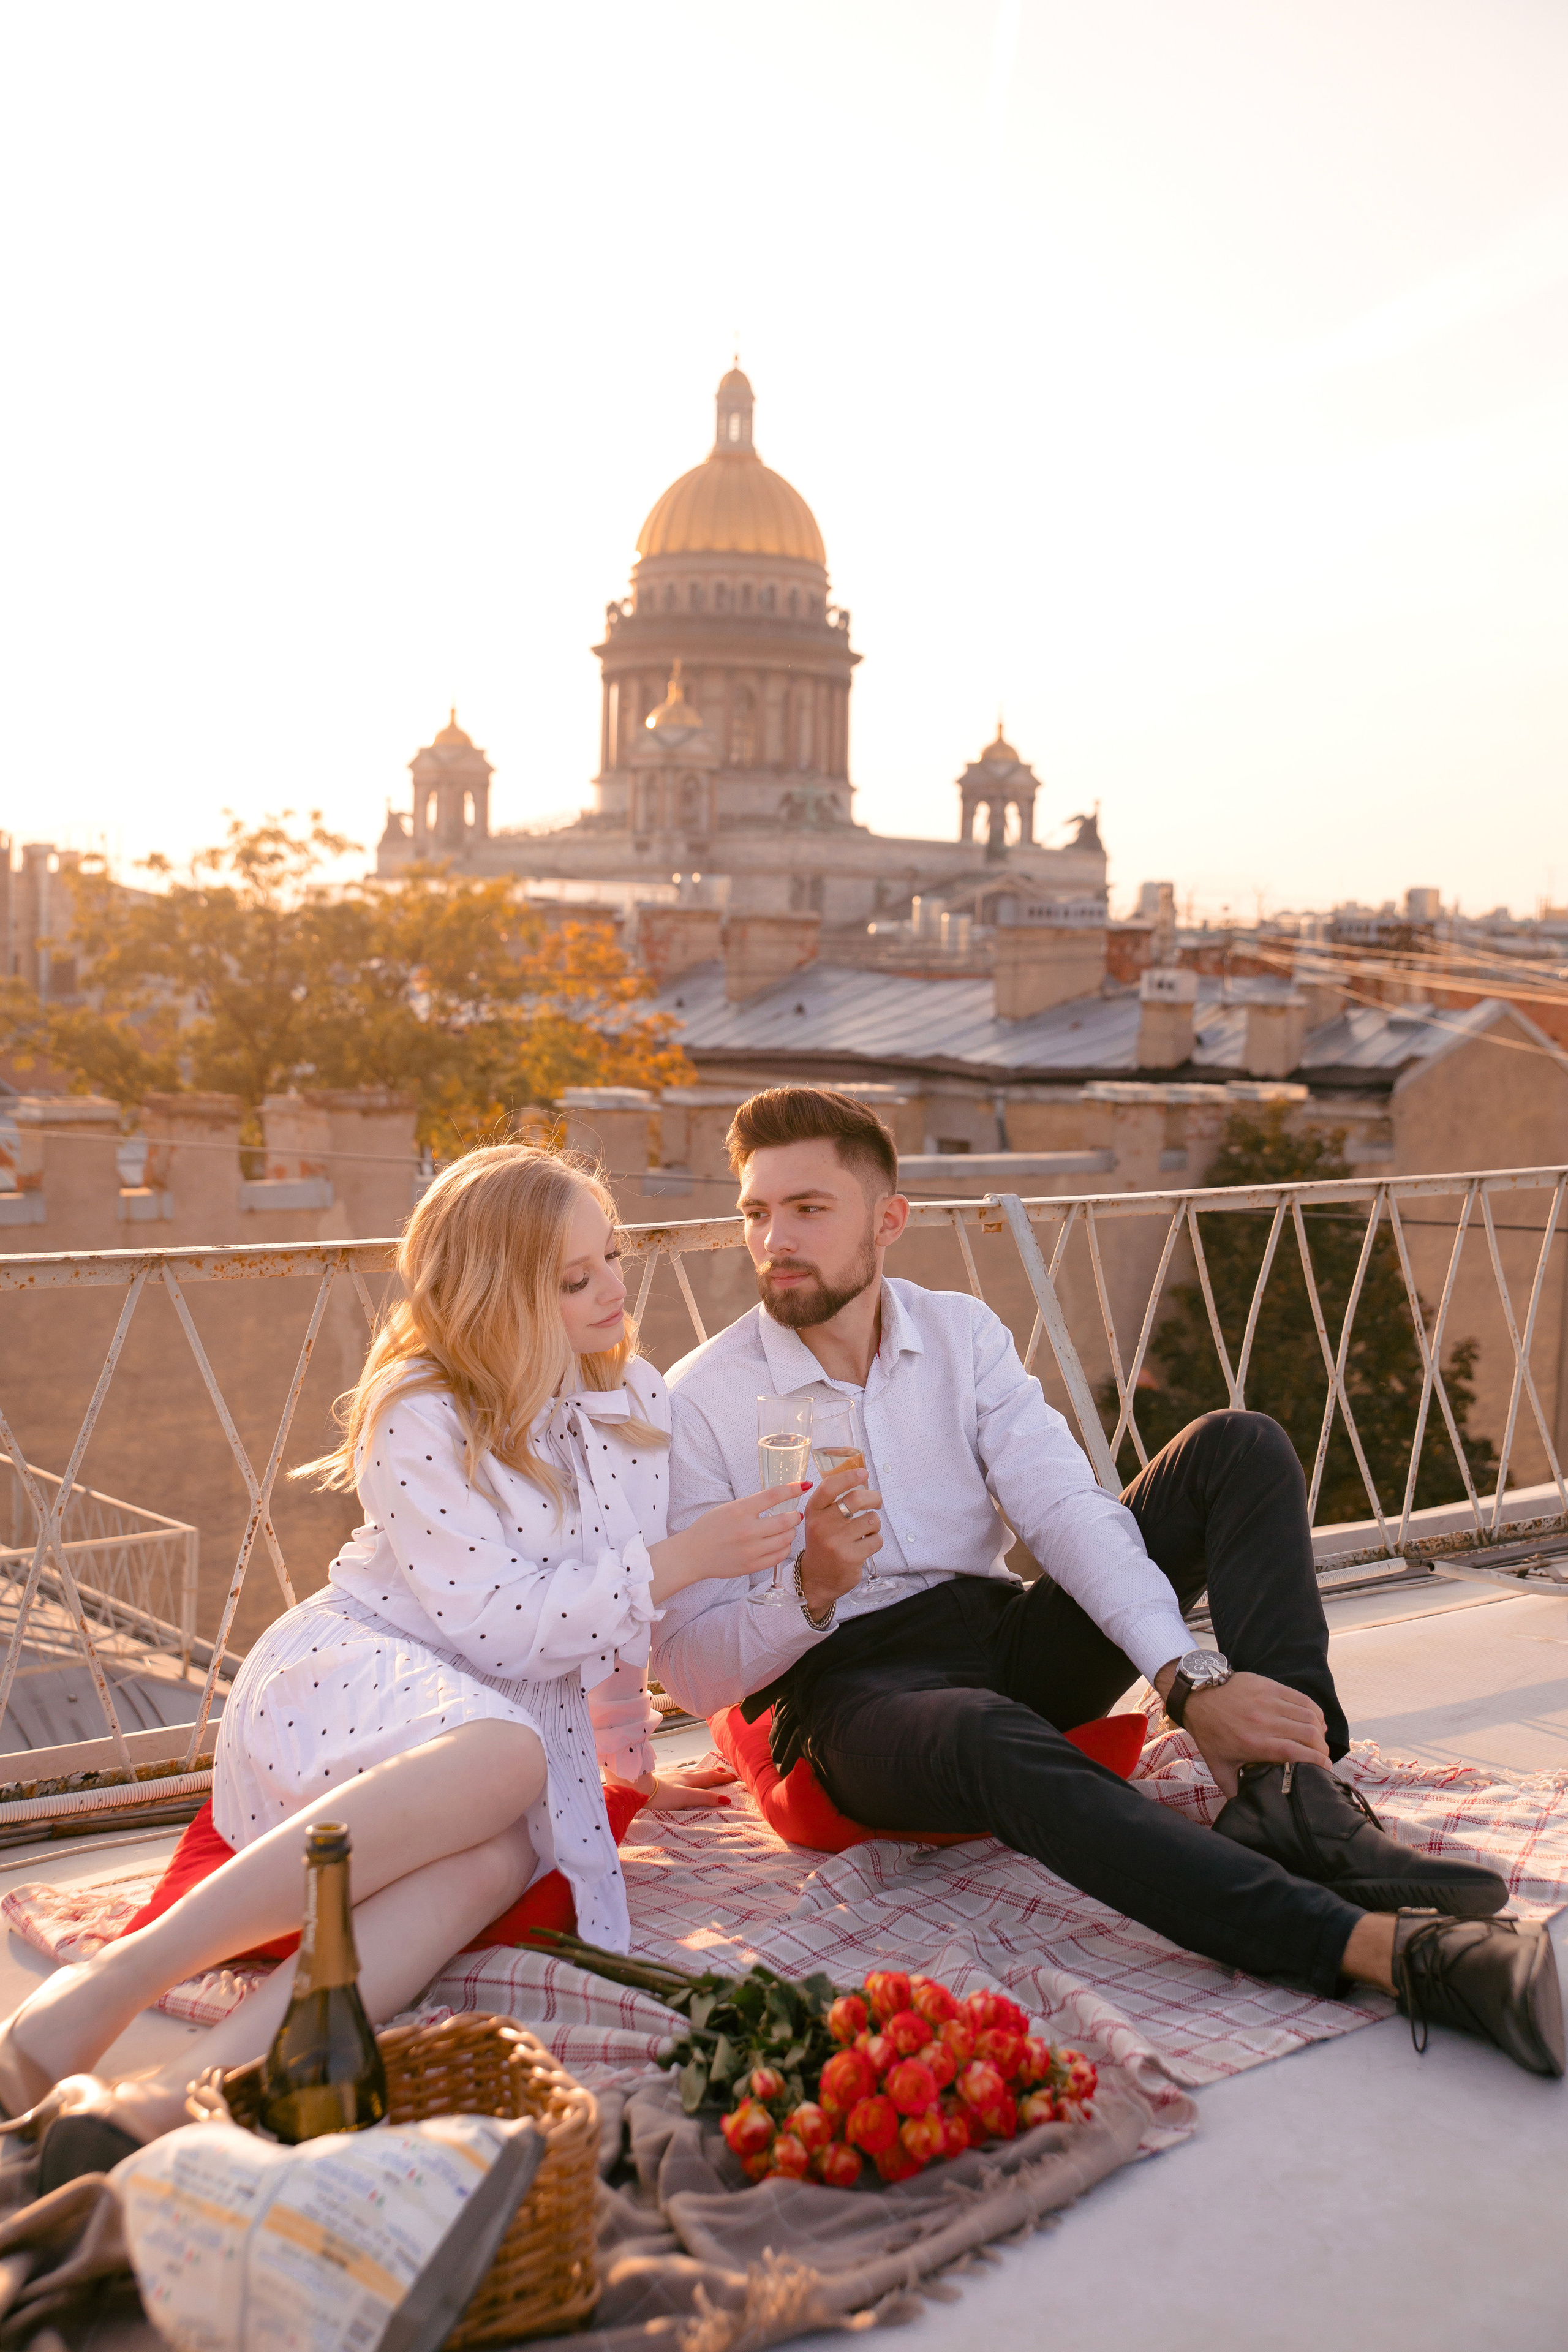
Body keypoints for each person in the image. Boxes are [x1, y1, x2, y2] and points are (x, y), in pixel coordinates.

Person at [652, 1086, 1564, 2079]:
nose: (774, 1238)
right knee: (980, 1730)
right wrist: (811, 1592)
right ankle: (1386, 1953)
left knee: (1236, 1446)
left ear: (888, 1220)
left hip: (995, 1635)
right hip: (848, 1686)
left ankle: (1295, 1798)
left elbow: (1065, 1510)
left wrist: (1186, 1682)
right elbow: (692, 1671)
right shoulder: (702, 1399)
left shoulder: (959, 1334)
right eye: (756, 1212)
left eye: (808, 1209)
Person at [0, 1144, 804, 2146]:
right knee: (508, 1759)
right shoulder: (417, 1410)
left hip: (493, 1729)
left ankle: (182, 2096)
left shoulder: (633, 1398)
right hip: (352, 1678)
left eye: (612, 1257)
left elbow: (606, 1630)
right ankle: (110, 1982)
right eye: (573, 1278)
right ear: (496, 1296)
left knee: (499, 1859)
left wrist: (628, 1766)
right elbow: (501, 1626)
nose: (613, 1289)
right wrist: (682, 1560)